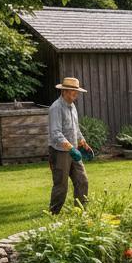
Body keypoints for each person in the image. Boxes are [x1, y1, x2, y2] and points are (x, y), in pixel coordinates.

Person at [47, 76, 92, 214]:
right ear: (64, 91)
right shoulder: (56, 108)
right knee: (61, 185)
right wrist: (71, 148)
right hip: (60, 152)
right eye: (73, 91)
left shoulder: (72, 106)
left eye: (77, 91)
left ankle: (81, 212)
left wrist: (82, 141)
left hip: (74, 151)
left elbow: (75, 129)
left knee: (82, 180)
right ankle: (53, 214)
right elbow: (56, 133)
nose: (76, 94)